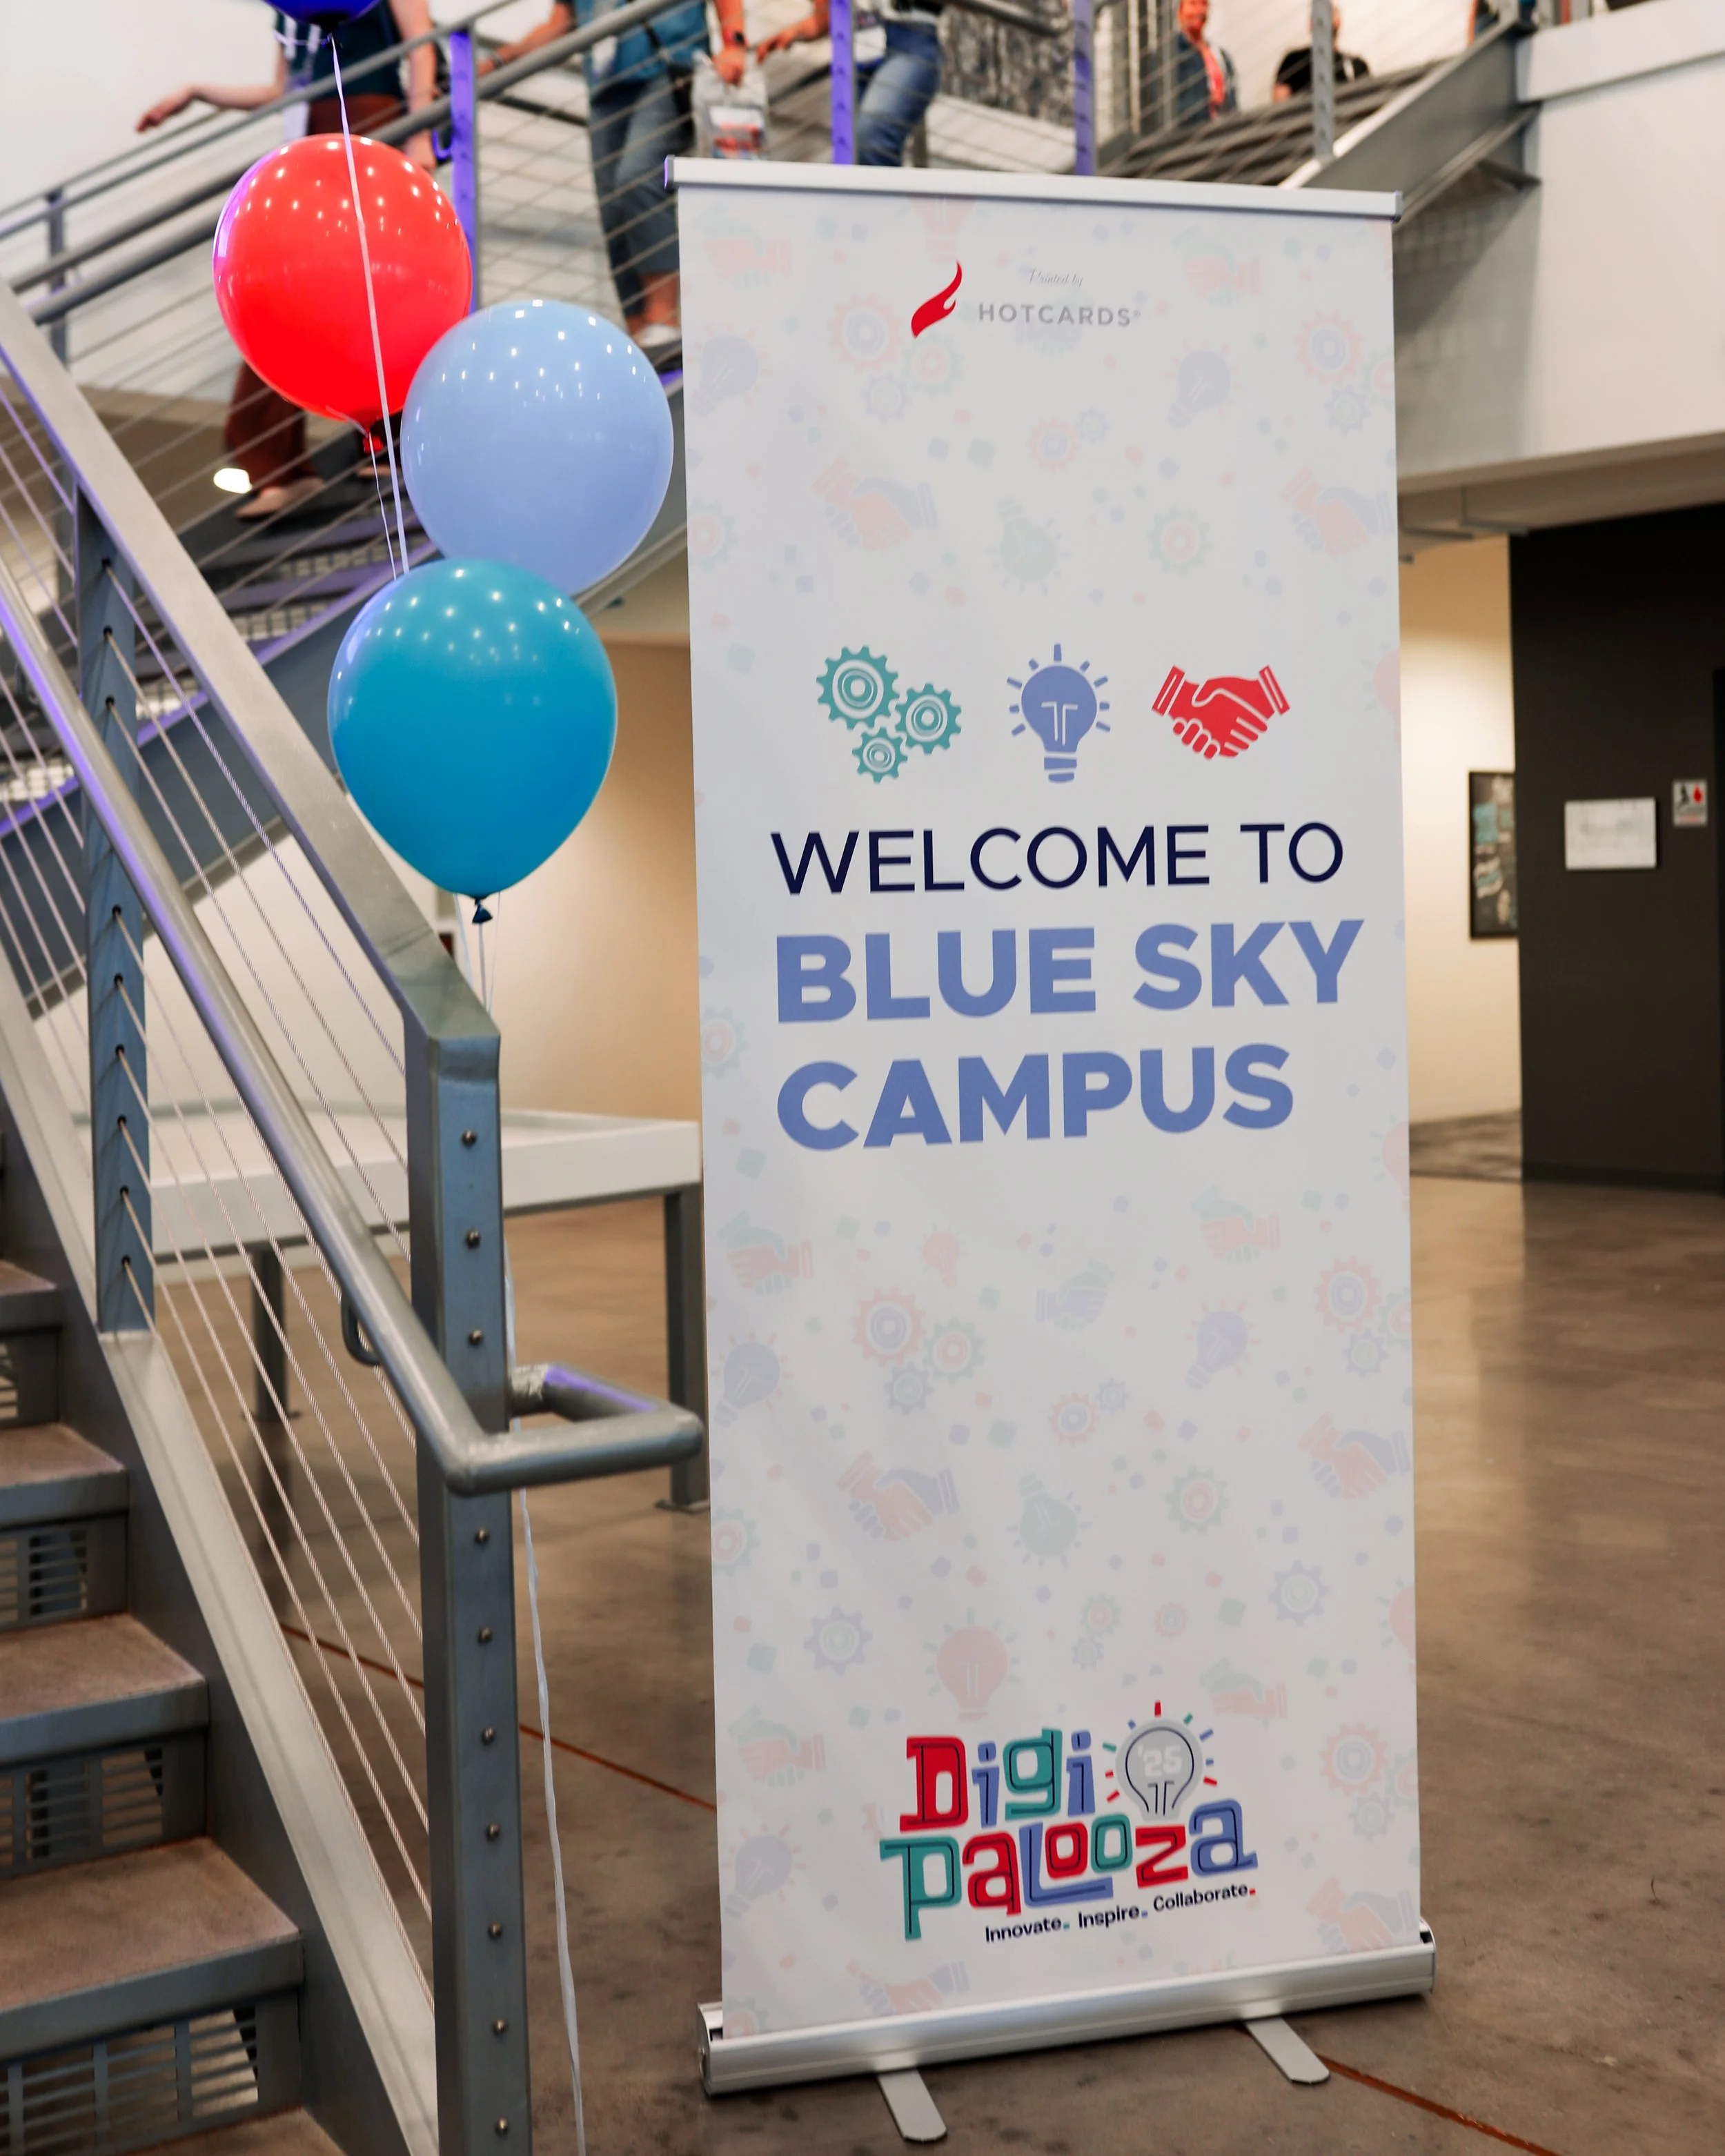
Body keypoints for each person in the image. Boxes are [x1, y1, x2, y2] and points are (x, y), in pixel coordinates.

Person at [139, 3, 437, 521]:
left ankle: (389, 440)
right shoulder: (290, 8)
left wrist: (418, 132)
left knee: (376, 286)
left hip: (372, 118)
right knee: (300, 296)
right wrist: (198, 92)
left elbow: (421, 42)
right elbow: (284, 90)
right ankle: (282, 466)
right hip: (313, 139)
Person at [489, 0, 749, 359]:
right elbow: (559, 23)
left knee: (638, 176)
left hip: (667, 66)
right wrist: (500, 60)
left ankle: (665, 318)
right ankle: (641, 328)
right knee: (613, 208)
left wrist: (734, 43)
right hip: (607, 87)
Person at [756, 0, 944, 172]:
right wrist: (794, 32)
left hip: (912, 32)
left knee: (872, 137)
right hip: (859, 39)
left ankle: (888, 207)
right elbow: (825, 17)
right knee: (850, 148)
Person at [1272, 5, 1370, 99]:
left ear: (1339, 20)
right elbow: (1280, 105)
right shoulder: (1293, 60)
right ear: (1310, 23)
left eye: (1330, 11)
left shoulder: (1358, 65)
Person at [1172, 0, 1237, 126]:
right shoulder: (1172, 55)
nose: (1200, 10)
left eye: (1204, 4)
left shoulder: (1220, 55)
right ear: (1179, 11)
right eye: (1193, 3)